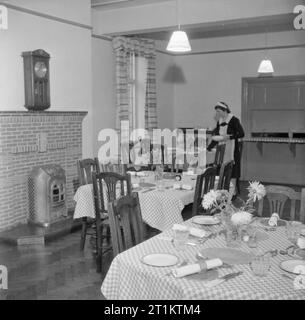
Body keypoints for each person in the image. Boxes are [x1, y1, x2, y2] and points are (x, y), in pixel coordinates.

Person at [207, 101, 245, 198]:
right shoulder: (220, 121)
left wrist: (229, 137)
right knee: (221, 169)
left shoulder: (234, 120)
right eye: (217, 112)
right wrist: (209, 148)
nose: (217, 114)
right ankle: (223, 191)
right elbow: (217, 137)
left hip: (232, 150)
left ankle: (232, 193)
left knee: (232, 170)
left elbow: (241, 134)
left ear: (225, 110)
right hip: (222, 150)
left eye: (219, 111)